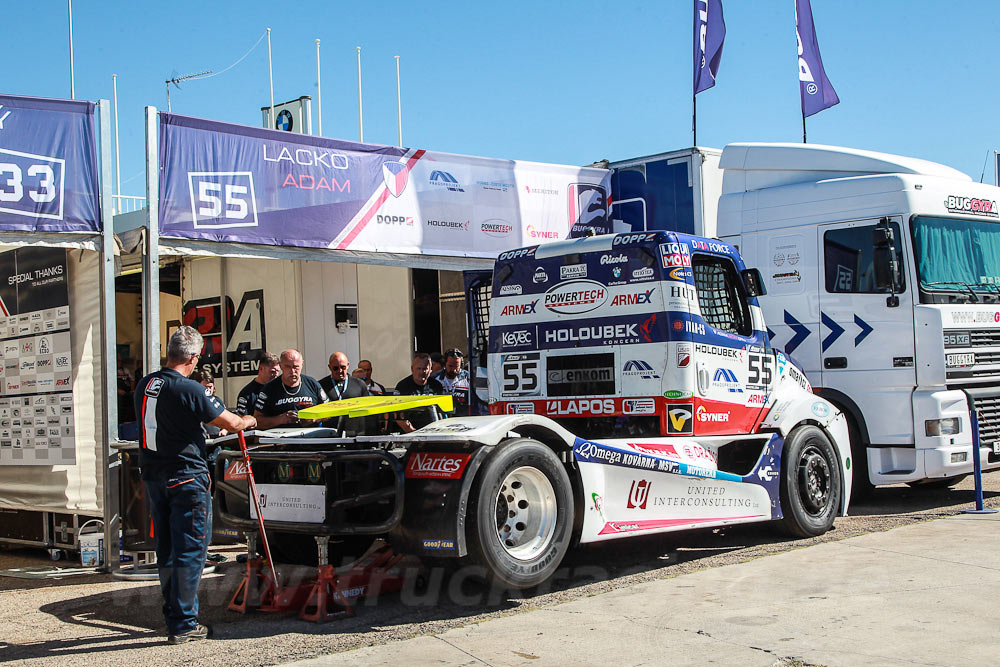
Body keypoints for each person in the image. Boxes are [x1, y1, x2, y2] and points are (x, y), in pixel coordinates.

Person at [134, 326, 255, 645]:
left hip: (154, 476)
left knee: (168, 549)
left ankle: (174, 614)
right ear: (193, 357)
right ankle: (184, 622)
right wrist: (249, 420)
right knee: (189, 550)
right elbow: (230, 422)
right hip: (185, 477)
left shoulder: (147, 384)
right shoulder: (189, 389)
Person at [253, 349, 329, 429]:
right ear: (280, 366)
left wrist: (314, 418)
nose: (292, 371)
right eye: (288, 367)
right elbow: (256, 421)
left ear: (302, 364)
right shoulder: (269, 389)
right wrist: (281, 419)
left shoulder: (312, 383)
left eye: (296, 367)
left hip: (309, 438)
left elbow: (329, 411)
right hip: (281, 439)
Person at [318, 352, 371, 434]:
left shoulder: (359, 384)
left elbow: (367, 411)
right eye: (335, 368)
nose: (340, 371)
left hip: (355, 433)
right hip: (329, 433)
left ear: (348, 365)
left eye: (343, 367)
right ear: (329, 367)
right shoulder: (321, 385)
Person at [394, 353, 446, 433]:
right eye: (419, 368)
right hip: (410, 434)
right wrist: (415, 433)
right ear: (412, 369)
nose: (422, 372)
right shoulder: (403, 387)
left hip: (433, 433)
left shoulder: (436, 386)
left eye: (425, 368)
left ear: (430, 370)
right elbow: (398, 416)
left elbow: (442, 411)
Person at [431, 348, 471, 416]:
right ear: (444, 364)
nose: (453, 370)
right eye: (450, 366)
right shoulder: (434, 379)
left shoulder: (469, 378)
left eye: (457, 366)